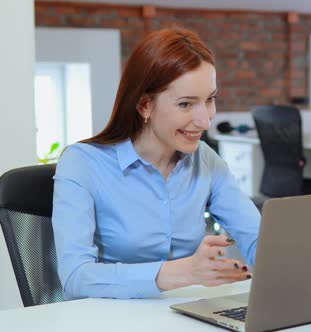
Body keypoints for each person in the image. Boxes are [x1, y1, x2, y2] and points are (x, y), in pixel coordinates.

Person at [52, 28, 260, 300]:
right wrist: (184, 273)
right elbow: (75, 277)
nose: (205, 120)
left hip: (182, 316)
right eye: (186, 104)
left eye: (210, 99)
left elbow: (257, 238)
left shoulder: (206, 160)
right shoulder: (81, 163)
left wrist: (292, 262)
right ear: (145, 105)